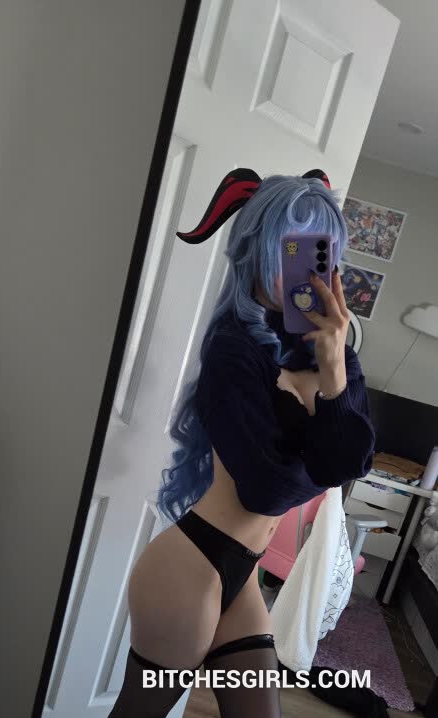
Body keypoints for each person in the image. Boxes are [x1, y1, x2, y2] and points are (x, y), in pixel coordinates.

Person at [109, 169, 375, 718]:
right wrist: (319, 439)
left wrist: (332, 365)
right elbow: (266, 489)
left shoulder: (335, 356)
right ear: (259, 249)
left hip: (242, 575)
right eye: (291, 250)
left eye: (318, 252)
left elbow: (351, 463)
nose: (306, 271)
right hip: (190, 566)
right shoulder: (232, 350)